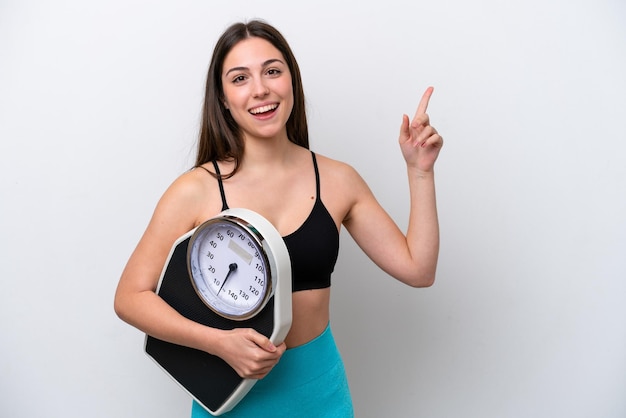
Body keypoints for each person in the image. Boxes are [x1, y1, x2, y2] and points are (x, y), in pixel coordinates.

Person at [114, 19, 443, 418]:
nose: (261, 89)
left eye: (272, 70)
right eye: (240, 78)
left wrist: (420, 171)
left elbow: (418, 269)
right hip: (230, 397)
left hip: (321, 394)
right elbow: (130, 297)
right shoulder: (196, 189)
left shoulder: (338, 180)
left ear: (291, 81)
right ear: (222, 98)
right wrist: (217, 343)